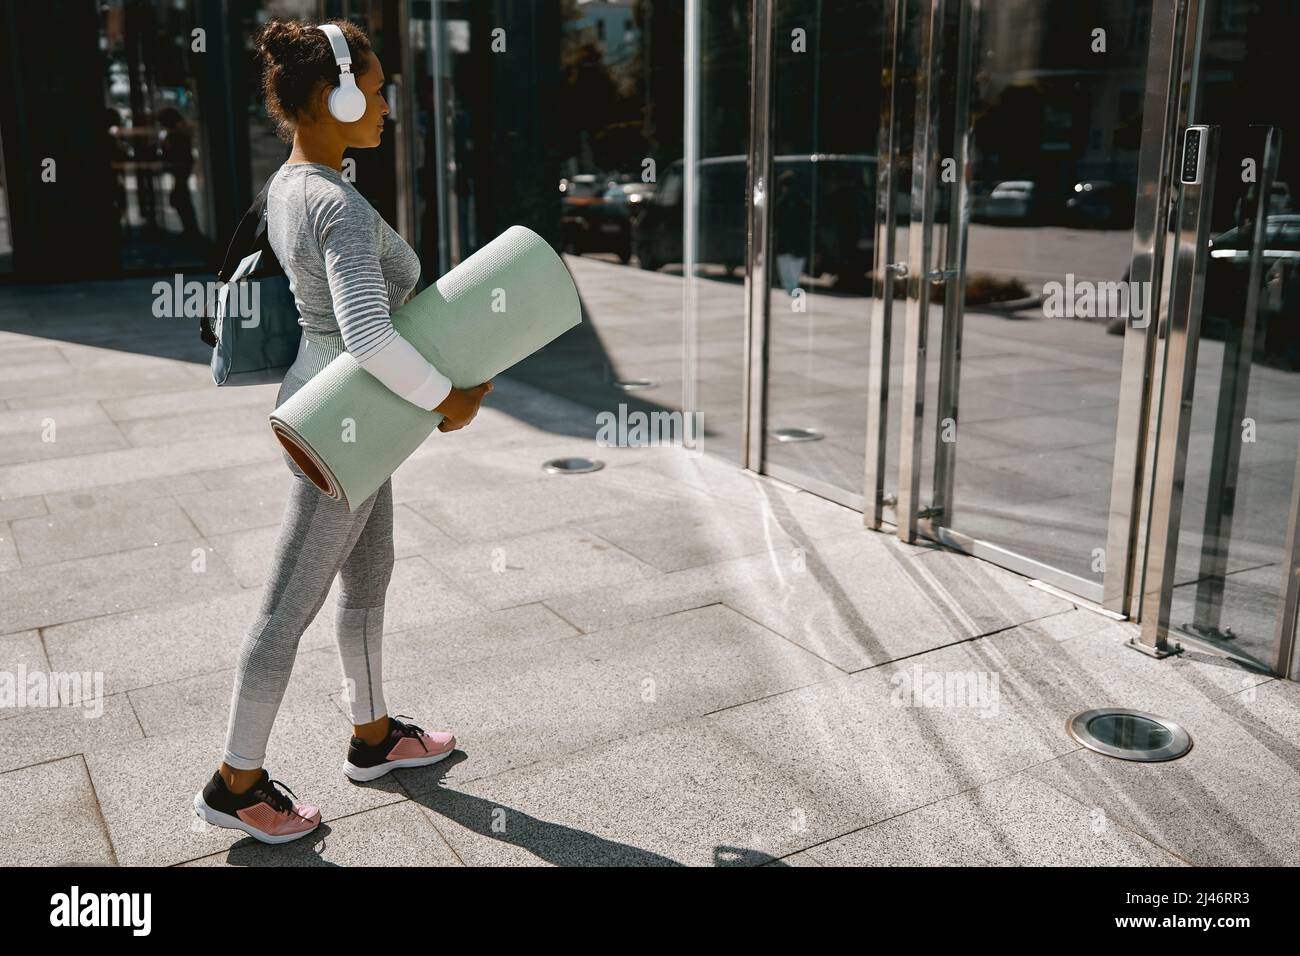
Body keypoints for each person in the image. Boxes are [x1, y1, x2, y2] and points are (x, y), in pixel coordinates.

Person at [192, 17, 493, 845]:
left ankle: (374, 737)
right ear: (339, 93)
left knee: (368, 578)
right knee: (287, 605)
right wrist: (449, 399)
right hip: (344, 423)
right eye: (381, 86)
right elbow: (369, 334)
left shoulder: (295, 183)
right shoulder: (334, 203)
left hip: (353, 414)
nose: (389, 104)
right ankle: (234, 781)